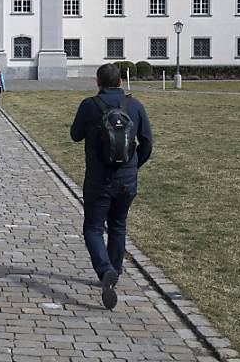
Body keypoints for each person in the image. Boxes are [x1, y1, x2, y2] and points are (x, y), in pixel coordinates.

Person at [70, 63, 152, 310]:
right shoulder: (134, 105)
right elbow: (147, 142)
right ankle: (114, 271)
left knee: (93, 228)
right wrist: (133, 166)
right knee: (118, 225)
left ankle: (106, 270)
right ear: (120, 82)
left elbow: (75, 135)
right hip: (127, 179)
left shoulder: (89, 105)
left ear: (98, 82)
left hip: (98, 178)